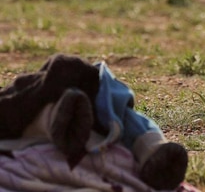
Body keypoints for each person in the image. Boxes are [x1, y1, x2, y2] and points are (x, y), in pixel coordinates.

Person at [0, 54, 188, 191]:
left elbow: (15, 108)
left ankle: (62, 113)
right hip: (97, 93)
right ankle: (152, 147)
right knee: (126, 116)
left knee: (37, 110)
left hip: (65, 93)